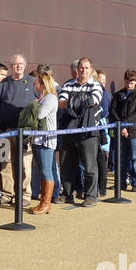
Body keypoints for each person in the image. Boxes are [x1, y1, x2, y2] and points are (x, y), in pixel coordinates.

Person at [58, 57, 104, 207]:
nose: (83, 70)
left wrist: (73, 102)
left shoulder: (96, 85)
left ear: (91, 70)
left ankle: (90, 195)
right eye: (81, 68)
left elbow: (94, 100)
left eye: (86, 68)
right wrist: (79, 102)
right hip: (68, 130)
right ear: (76, 70)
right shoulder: (68, 84)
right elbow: (61, 103)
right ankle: (67, 194)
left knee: (90, 165)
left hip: (87, 131)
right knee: (67, 165)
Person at [0, 54, 35, 203]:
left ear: (25, 65)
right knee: (5, 162)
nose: (18, 66)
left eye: (21, 64)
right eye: (15, 64)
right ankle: (7, 194)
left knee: (24, 164)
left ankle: (24, 195)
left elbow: (39, 105)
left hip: (26, 132)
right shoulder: (4, 84)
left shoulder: (32, 82)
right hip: (6, 130)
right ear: (11, 67)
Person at [27, 68, 59, 214]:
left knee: (46, 171)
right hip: (39, 139)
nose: (34, 85)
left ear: (43, 84)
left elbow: (39, 115)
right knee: (42, 170)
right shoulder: (42, 98)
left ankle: (46, 203)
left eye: (36, 83)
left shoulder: (51, 98)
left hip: (46, 140)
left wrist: (33, 106)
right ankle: (42, 202)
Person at [109, 69, 136, 191]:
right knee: (121, 159)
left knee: (135, 159)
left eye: (131, 82)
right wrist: (121, 125)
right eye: (127, 82)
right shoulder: (118, 94)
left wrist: (125, 125)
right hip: (120, 131)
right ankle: (120, 182)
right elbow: (113, 110)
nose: (129, 85)